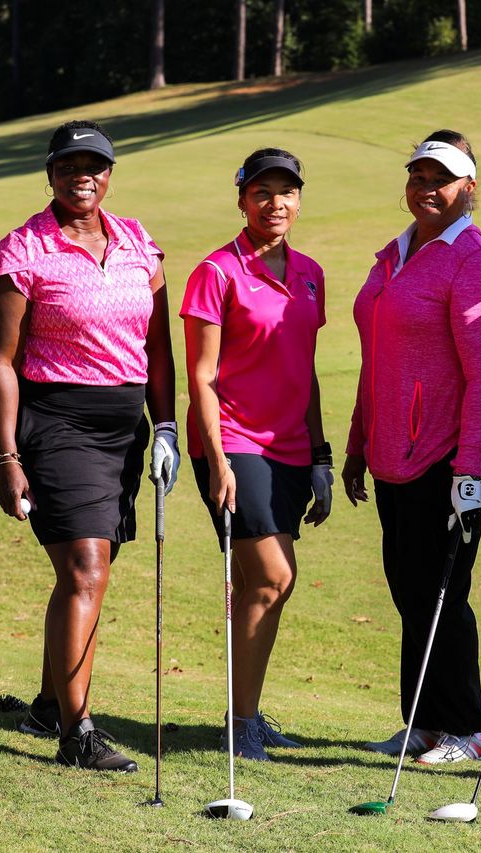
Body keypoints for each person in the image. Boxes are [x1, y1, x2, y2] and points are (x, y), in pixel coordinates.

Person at [0, 120, 179, 772]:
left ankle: (47, 702)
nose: (81, 175)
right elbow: (2, 361)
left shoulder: (139, 243)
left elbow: (158, 349)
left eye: (94, 164)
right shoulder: (22, 251)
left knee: (88, 571)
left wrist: (167, 426)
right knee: (86, 569)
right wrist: (7, 457)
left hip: (125, 429)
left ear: (110, 172)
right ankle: (77, 732)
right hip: (57, 422)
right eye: (69, 165)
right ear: (51, 172)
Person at [343, 130, 481, 765]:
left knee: (441, 589)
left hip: (454, 449)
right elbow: (376, 360)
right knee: (408, 588)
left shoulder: (476, 263)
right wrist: (360, 442)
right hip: (395, 447)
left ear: (469, 187)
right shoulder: (392, 255)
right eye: (418, 176)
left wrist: (467, 471)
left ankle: (465, 729)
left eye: (441, 178)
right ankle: (420, 722)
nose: (427, 188)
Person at [181, 148, 333, 762]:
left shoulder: (312, 273)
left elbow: (308, 371)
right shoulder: (216, 272)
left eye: (287, 192)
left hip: (292, 447)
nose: (276, 204)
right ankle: (241, 723)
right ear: (242, 199)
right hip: (233, 441)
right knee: (273, 577)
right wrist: (216, 459)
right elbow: (202, 373)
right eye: (262, 192)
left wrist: (321, 455)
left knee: (257, 585)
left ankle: (243, 713)